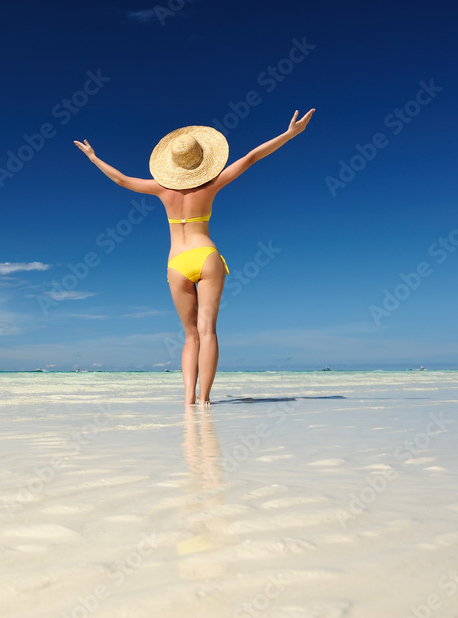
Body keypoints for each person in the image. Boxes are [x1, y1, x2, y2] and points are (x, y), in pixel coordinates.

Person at [74, 109, 315, 405]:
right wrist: (290, 134)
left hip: (176, 264)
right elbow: (252, 157)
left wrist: (93, 157)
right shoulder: (210, 185)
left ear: (172, 165)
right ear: (202, 161)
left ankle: (188, 400)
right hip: (205, 255)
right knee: (208, 331)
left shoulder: (162, 189)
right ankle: (205, 399)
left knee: (190, 336)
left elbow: (122, 181)